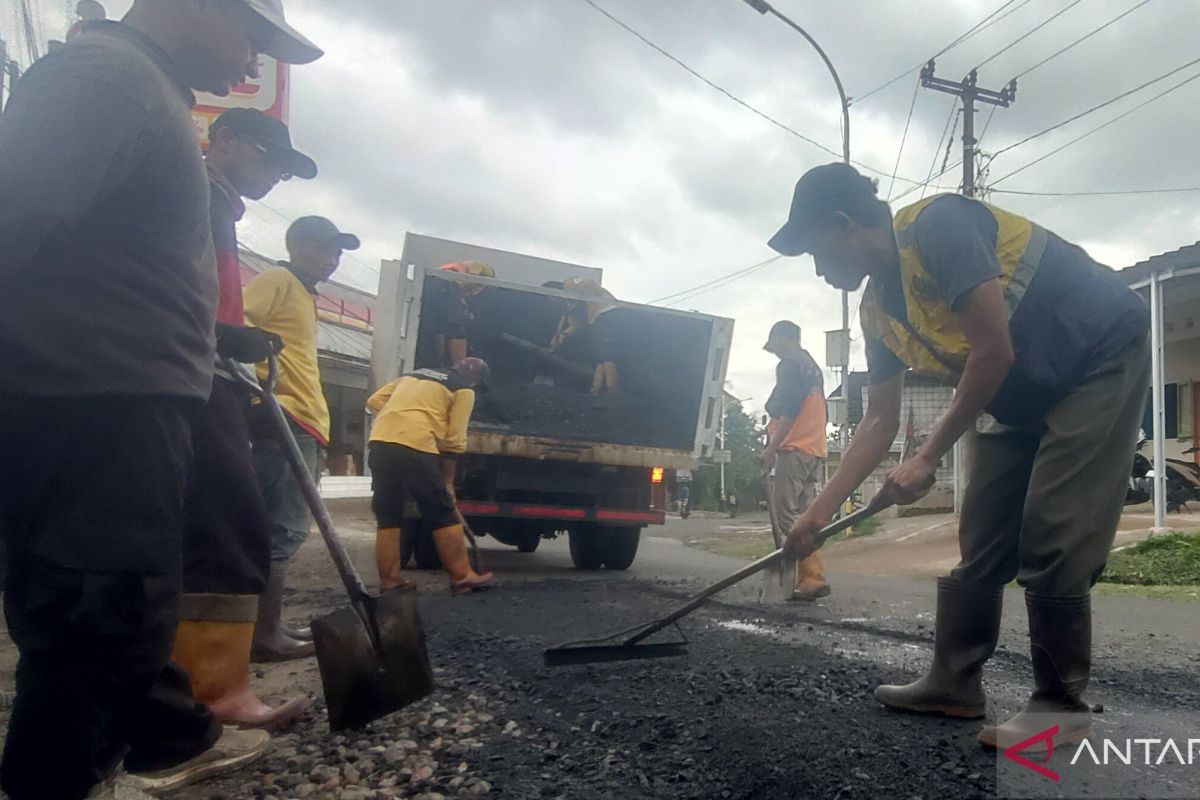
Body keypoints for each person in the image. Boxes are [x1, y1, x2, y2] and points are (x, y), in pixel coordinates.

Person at [0, 0, 320, 797]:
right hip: (93, 399)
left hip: (125, 396)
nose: (253, 65)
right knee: (97, 618)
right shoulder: (106, 79)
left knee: (119, 610)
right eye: (250, 35)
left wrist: (211, 344)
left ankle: (155, 745)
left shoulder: (145, 89)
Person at [767, 163, 1149, 751]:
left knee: (1053, 528)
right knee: (985, 528)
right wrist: (815, 517)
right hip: (1019, 387)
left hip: (1093, 356)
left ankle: (1060, 704)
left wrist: (928, 456)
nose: (818, 271)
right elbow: (878, 420)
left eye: (815, 253)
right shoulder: (877, 312)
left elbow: (992, 349)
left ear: (843, 225)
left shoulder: (938, 227)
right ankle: (955, 683)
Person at [172, 108, 319, 732]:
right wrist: (223, 338)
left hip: (211, 377)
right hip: (194, 377)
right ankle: (214, 693)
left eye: (283, 171)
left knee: (222, 531)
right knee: (225, 533)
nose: (274, 176)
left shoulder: (218, 203)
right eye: (269, 157)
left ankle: (203, 685)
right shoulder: (195, 192)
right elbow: (181, 288)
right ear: (223, 139)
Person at [243, 216, 359, 661]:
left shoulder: (304, 295)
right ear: (296, 245)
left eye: (337, 253)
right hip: (284, 418)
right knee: (282, 528)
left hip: (302, 421)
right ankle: (264, 636)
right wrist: (259, 393)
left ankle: (268, 626)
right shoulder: (276, 280)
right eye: (324, 249)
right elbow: (235, 331)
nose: (332, 261)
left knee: (283, 526)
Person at [367, 358, 495, 594]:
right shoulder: (464, 389)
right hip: (416, 446)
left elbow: (374, 401)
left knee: (389, 513)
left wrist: (399, 417)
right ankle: (462, 575)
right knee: (441, 510)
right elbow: (454, 440)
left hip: (380, 442)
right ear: (476, 379)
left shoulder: (414, 375)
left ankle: (390, 580)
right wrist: (448, 481)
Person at [760, 320, 830, 600]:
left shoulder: (789, 364)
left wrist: (771, 449)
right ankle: (806, 576)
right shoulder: (811, 365)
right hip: (814, 449)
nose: (774, 352)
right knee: (804, 515)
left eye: (774, 345)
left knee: (787, 515)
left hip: (794, 449)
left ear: (781, 337)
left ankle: (813, 576)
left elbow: (790, 409)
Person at [420, 261, 495, 368]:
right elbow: (456, 332)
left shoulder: (436, 283)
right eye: (478, 286)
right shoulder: (450, 290)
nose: (475, 292)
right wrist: (461, 373)